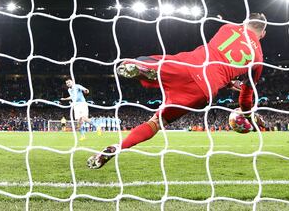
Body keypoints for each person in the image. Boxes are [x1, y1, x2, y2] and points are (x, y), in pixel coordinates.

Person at [87, 13, 267, 169]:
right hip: (204, 89)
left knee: (137, 62)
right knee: (157, 122)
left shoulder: (228, 28)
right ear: (263, 33)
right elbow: (245, 99)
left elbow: (218, 55)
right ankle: (118, 147)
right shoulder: (258, 58)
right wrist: (249, 117)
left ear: (244, 23)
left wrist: (227, 79)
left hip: (190, 65)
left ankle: (143, 69)